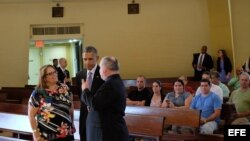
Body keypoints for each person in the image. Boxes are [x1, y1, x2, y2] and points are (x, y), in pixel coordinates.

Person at [81, 56, 129, 141]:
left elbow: (95, 103)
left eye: (100, 67)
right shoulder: (116, 82)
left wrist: (85, 90)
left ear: (104, 69)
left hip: (108, 133)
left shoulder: (110, 84)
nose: (99, 71)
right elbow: (103, 104)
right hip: (111, 130)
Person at [28, 65, 75, 141]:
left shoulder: (65, 88)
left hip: (67, 133)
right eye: (50, 73)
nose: (54, 75)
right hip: (47, 135)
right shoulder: (38, 93)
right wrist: (36, 135)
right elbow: (31, 116)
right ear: (44, 78)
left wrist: (72, 123)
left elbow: (70, 106)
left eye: (55, 72)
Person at [76, 46, 104, 141]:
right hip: (84, 115)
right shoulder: (79, 75)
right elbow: (81, 96)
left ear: (97, 58)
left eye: (91, 59)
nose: (87, 62)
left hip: (99, 116)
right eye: (85, 59)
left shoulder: (103, 74)